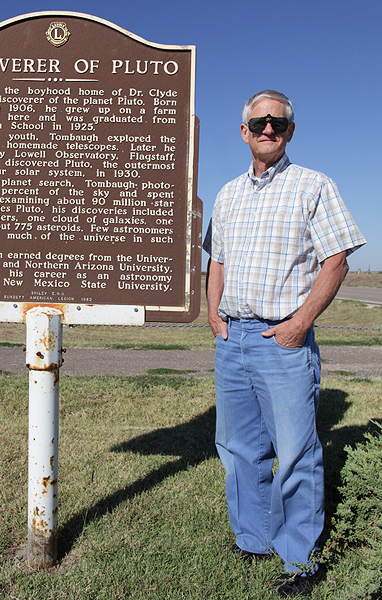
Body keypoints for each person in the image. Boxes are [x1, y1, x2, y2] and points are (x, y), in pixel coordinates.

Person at [203, 90, 366, 597]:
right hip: (234, 339)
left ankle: (300, 557)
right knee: (238, 448)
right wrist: (213, 312)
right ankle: (252, 538)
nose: (267, 129)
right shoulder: (228, 193)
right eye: (259, 122)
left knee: (296, 450)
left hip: (284, 340)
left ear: (290, 131)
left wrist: (300, 323)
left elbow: (336, 259)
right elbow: (218, 261)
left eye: (278, 122)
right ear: (244, 130)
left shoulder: (313, 185)